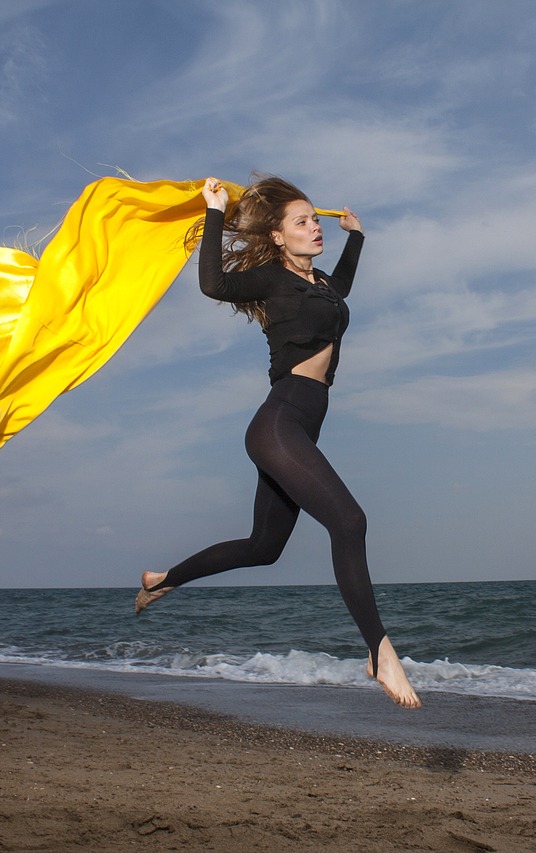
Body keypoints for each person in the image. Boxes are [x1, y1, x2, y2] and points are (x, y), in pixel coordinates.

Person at [134, 175, 421, 709]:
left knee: (263, 549)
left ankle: (162, 579)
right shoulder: (269, 279)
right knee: (350, 521)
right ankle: (379, 650)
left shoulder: (324, 286)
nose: (315, 228)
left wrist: (356, 235)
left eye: (316, 220)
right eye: (303, 222)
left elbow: (344, 287)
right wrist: (215, 212)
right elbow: (214, 285)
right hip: (279, 423)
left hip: (303, 426)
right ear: (277, 234)